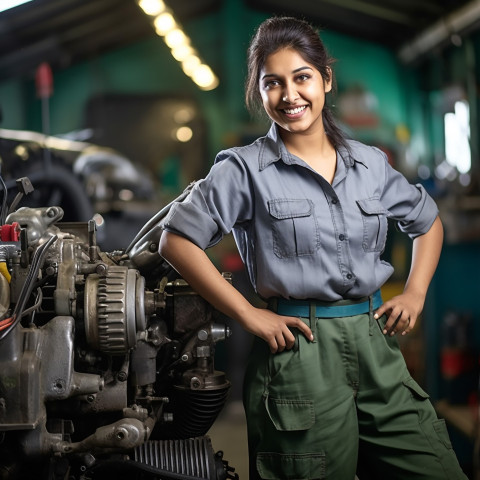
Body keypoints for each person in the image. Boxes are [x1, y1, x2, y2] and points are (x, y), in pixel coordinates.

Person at [159, 15, 467, 480]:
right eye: (272, 84)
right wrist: (248, 314)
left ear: (325, 79)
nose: (289, 96)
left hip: (376, 344)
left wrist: (416, 292)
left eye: (302, 78)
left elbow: (427, 222)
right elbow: (175, 241)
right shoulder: (243, 170)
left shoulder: (369, 164)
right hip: (297, 357)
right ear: (259, 92)